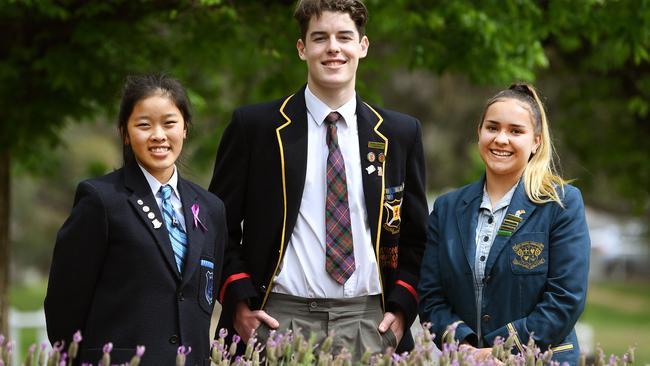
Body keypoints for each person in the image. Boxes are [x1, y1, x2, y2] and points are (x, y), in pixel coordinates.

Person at [208, 0, 428, 358]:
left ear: (363, 46)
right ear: (302, 48)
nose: (333, 48)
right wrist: (239, 305)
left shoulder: (400, 134)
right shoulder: (256, 129)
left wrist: (402, 309)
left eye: (344, 36)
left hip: (371, 325)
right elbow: (218, 227)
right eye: (320, 38)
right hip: (278, 319)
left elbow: (417, 238)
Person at [45, 74, 227, 366]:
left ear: (185, 129)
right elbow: (64, 303)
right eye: (144, 125)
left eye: (169, 123)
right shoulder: (101, 200)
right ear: (125, 133)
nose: (158, 135)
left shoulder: (211, 208)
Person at [418, 83, 590, 365]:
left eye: (515, 131)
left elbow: (566, 299)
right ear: (479, 133)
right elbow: (431, 297)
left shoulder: (561, 204)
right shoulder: (447, 208)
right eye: (492, 127)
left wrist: (502, 349)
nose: (501, 139)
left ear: (536, 141)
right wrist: (466, 347)